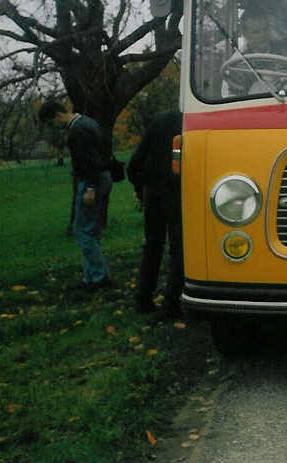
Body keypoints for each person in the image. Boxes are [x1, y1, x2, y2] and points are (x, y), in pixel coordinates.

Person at [38, 100, 113, 289]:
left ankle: (99, 277)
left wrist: (89, 189)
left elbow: (90, 162)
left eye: (50, 123)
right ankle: (90, 277)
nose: (52, 128)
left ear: (56, 115)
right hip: (103, 178)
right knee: (92, 231)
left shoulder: (76, 132)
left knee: (82, 231)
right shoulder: (89, 122)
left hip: (92, 182)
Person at [126, 109, 184, 317]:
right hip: (180, 190)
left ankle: (143, 298)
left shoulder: (159, 120)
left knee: (152, 246)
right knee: (179, 248)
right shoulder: (193, 122)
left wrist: (140, 186)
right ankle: (172, 303)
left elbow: (134, 164)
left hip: (153, 190)